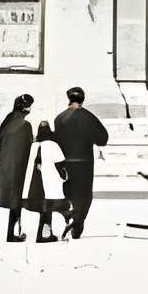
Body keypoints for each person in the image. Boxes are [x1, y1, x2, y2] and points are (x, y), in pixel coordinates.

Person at [47, 89, 110, 241]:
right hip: (84, 163)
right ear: (82, 100)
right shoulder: (88, 117)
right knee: (85, 196)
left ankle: (70, 217)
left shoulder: (59, 118)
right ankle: (77, 224)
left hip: (65, 162)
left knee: (69, 193)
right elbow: (103, 138)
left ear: (69, 99)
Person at [0, 94, 41, 242]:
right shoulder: (25, 125)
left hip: (4, 166)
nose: (30, 109)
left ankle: (14, 232)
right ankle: (12, 234)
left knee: (13, 201)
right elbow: (28, 147)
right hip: (17, 167)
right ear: (24, 107)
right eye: (29, 106)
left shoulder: (8, 120)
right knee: (16, 201)